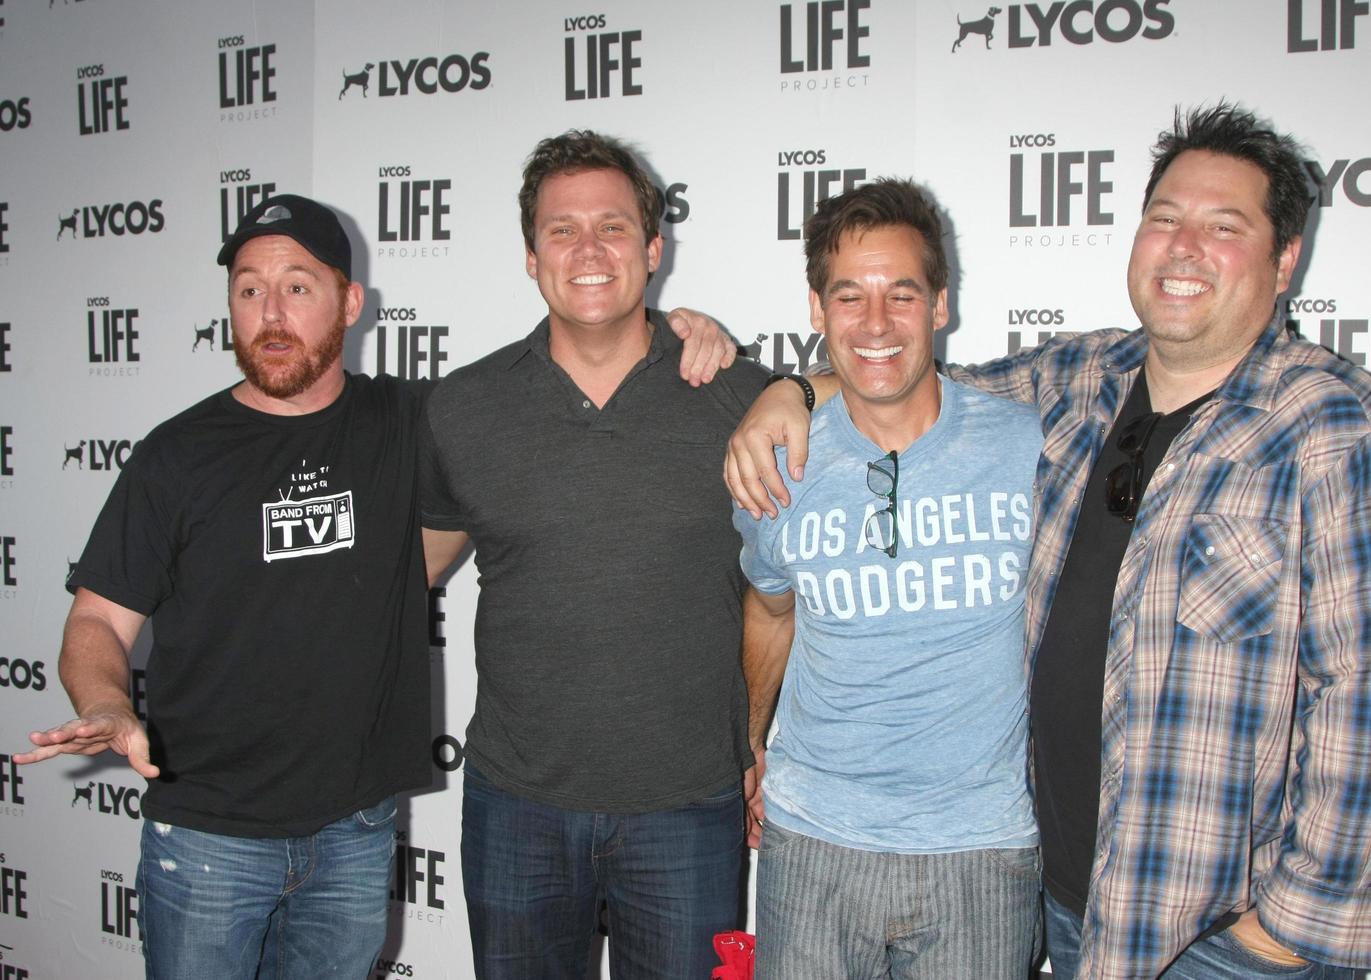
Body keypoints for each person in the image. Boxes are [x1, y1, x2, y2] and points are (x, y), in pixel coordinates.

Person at [726, 104, 1371, 979]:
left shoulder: (1344, 434)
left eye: (1225, 227)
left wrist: (1290, 927)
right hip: (1075, 908)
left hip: (1219, 938)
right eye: (1166, 219)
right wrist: (792, 390)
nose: (1184, 248)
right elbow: (897, 376)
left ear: (1285, 257)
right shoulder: (1077, 383)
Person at [14, 194, 735, 980]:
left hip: (354, 833)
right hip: (209, 837)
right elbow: (96, 624)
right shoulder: (173, 456)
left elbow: (559, 372)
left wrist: (685, 333)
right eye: (249, 290)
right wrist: (107, 704)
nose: (271, 312)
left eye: (298, 286)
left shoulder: (418, 418)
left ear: (350, 303)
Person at [418, 130, 769, 979]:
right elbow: (401, 578)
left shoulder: (741, 397)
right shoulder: (463, 407)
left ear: (654, 248)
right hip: (517, 810)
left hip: (689, 808)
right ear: (530, 255)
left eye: (613, 227)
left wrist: (759, 739)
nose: (587, 249)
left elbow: (785, 589)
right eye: (561, 229)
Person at [735, 178, 1043, 979]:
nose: (875, 324)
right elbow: (771, 612)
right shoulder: (776, 463)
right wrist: (751, 740)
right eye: (850, 297)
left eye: (902, 296)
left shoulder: (1030, 448)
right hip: (813, 846)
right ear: (816, 309)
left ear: (941, 305)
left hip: (982, 852)